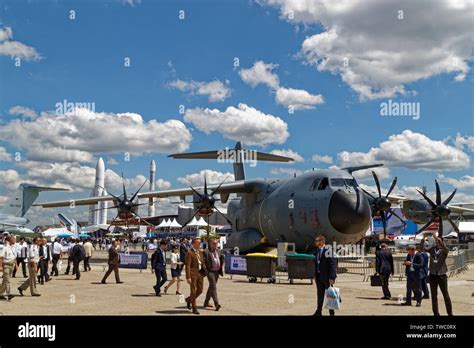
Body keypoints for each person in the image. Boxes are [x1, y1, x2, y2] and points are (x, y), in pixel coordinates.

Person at [421, 231, 453, 316]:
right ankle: (436, 313)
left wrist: (437, 238)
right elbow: (421, 249)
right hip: (432, 276)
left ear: (441, 242)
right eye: (436, 241)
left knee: (446, 296)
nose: (436, 242)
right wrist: (423, 239)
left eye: (438, 241)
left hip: (442, 276)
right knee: (434, 296)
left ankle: (450, 313)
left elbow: (447, 249)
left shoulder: (444, 251)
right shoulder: (432, 249)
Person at [312, 234, 337, 316]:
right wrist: (315, 275)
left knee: (330, 295)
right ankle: (319, 311)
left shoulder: (329, 250)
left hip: (327, 278)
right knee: (320, 295)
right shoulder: (316, 251)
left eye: (317, 241)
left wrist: (332, 277)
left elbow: (332, 264)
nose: (315, 242)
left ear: (322, 241)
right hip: (319, 277)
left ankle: (331, 312)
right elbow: (315, 264)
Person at [185, 238, 206, 315]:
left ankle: (188, 300)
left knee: (200, 290)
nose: (199, 244)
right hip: (193, 274)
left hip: (200, 273)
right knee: (193, 291)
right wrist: (188, 277)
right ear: (193, 244)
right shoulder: (189, 253)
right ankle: (194, 308)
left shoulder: (200, 252)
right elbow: (187, 265)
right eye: (197, 243)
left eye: (200, 243)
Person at [203, 238, 224, 311]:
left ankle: (206, 302)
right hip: (210, 272)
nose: (216, 245)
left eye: (216, 243)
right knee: (214, 287)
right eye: (214, 243)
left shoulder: (219, 251)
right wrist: (206, 271)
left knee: (211, 287)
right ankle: (217, 304)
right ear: (210, 244)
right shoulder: (206, 251)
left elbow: (221, 258)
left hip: (217, 272)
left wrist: (222, 264)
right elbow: (204, 262)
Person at [0, 235, 17, 300]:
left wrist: (16, 264)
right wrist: (1, 266)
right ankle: (8, 294)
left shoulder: (11, 247)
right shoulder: (4, 247)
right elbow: (1, 257)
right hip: (6, 265)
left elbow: (13, 256)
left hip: (11, 265)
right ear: (9, 240)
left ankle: (0, 293)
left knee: (5, 280)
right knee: (7, 280)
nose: (14, 240)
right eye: (13, 239)